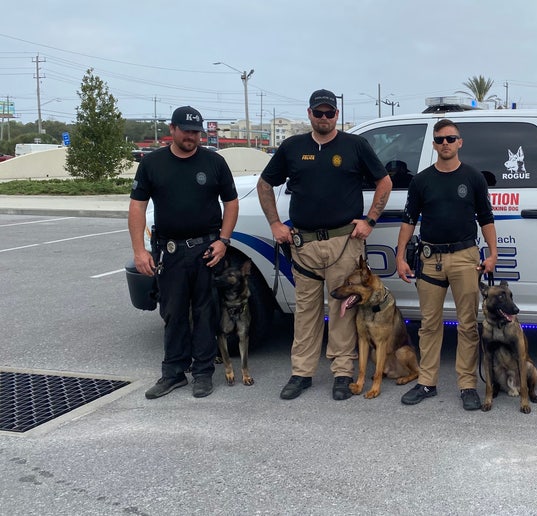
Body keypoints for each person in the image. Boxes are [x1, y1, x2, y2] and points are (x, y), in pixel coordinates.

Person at [258, 88, 392, 401]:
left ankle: (343, 373)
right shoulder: (292, 147)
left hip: (344, 241)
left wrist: (369, 220)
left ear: (336, 115)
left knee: (343, 308)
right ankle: (301, 373)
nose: (323, 118)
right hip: (303, 243)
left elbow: (383, 181)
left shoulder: (355, 145)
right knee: (306, 309)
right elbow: (265, 184)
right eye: (318, 112)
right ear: (309, 114)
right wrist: (275, 224)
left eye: (329, 113)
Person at [129, 106, 239, 399]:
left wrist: (224, 240)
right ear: (172, 129)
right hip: (170, 251)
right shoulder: (153, 164)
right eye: (186, 131)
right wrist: (139, 250)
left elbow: (231, 202)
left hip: (206, 250)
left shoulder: (214, 162)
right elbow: (137, 207)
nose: (192, 137)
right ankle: (173, 373)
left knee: (205, 312)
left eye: (196, 132)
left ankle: (203, 373)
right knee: (173, 313)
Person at [395, 119, 498, 410]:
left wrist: (492, 253)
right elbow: (409, 220)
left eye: (450, 139)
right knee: (429, 324)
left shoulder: (473, 178)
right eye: (440, 140)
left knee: (467, 325)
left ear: (460, 142)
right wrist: (400, 256)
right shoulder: (421, 181)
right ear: (434, 144)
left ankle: (467, 385)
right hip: (430, 259)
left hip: (465, 256)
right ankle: (427, 382)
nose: (445, 144)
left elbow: (486, 218)